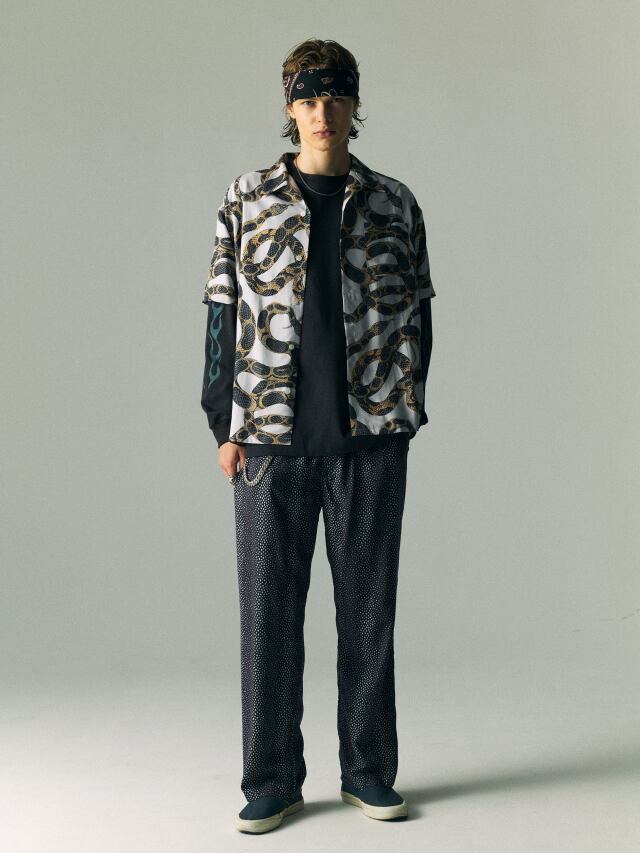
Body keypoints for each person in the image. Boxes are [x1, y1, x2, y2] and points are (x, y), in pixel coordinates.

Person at [201, 38, 436, 834]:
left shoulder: (395, 203)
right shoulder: (247, 198)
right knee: (267, 619)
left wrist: (405, 410)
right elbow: (220, 315)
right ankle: (271, 779)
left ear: (354, 105)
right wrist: (222, 422)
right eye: (307, 99)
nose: (321, 112)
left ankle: (368, 771)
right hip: (267, 443)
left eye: (335, 97)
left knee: (369, 614)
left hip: (370, 438)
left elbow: (419, 313)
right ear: (289, 108)